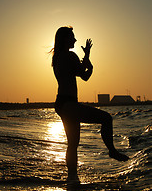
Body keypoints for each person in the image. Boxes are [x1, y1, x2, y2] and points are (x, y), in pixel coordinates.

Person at [51, 26, 129, 177]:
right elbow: (84, 75)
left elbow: (79, 70)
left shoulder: (58, 57)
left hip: (62, 103)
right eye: (72, 36)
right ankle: (112, 151)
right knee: (106, 119)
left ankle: (72, 178)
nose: (75, 39)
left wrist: (86, 56)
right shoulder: (70, 56)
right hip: (69, 104)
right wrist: (90, 62)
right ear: (65, 39)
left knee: (73, 144)